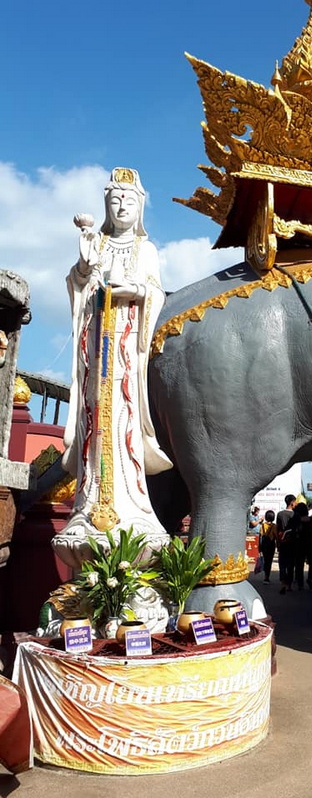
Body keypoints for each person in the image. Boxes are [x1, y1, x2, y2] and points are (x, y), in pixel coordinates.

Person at [60, 167, 172, 552]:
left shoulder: (147, 250)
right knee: (95, 422)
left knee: (123, 423)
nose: (121, 205)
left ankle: (132, 504)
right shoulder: (97, 243)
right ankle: (87, 504)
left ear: (140, 207)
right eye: (115, 199)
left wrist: (137, 290)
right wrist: (83, 268)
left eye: (129, 199)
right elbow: (78, 286)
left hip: (125, 355)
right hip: (97, 355)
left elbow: (157, 294)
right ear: (106, 205)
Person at [292, 502, 312, 591]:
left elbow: (295, 531)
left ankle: (300, 584)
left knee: (299, 564)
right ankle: (310, 578)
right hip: (311, 542)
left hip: (300, 542)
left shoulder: (296, 520)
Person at [276, 493, 296, 594]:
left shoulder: (280, 514)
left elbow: (277, 529)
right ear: (292, 503)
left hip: (282, 542)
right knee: (291, 564)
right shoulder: (294, 515)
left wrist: (278, 542)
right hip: (292, 543)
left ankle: (283, 583)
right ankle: (289, 585)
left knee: (282, 563)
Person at [259, 509, 278, 584]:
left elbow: (260, 535)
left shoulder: (263, 525)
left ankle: (265, 576)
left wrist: (259, 547)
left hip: (264, 545)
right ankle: (267, 577)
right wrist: (278, 545)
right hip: (271, 545)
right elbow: (276, 536)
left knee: (265, 560)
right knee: (269, 561)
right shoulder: (274, 526)